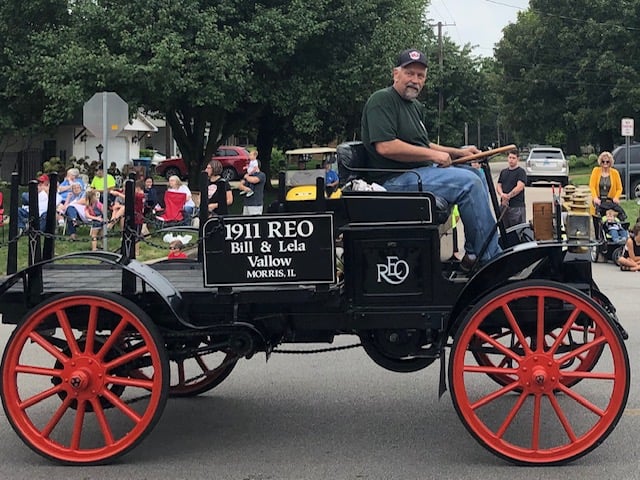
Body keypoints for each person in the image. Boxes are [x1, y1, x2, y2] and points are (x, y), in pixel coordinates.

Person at [360, 48, 501, 268]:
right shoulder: (382, 100)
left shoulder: (415, 107)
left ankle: (474, 255)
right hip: (391, 181)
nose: (415, 80)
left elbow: (422, 144)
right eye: (410, 73)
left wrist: (457, 152)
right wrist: (434, 155)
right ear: (395, 74)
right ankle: (491, 259)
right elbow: (386, 146)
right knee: (468, 184)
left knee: (476, 172)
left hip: (417, 173)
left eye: (420, 76)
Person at [589, 151, 625, 219]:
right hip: (599, 202)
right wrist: (595, 198)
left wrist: (616, 197)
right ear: (600, 162)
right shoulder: (596, 171)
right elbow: (592, 186)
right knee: (598, 222)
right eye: (603, 161)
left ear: (610, 162)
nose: (605, 163)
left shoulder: (615, 173)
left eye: (607, 162)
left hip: (610, 203)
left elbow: (619, 188)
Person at [496, 148, 527, 228]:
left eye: (513, 158)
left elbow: (520, 187)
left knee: (517, 231)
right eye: (510, 157)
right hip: (504, 207)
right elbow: (499, 185)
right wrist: (502, 194)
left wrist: (508, 196)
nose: (511, 160)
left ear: (518, 159)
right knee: (504, 230)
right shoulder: (503, 172)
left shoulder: (521, 172)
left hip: (517, 207)